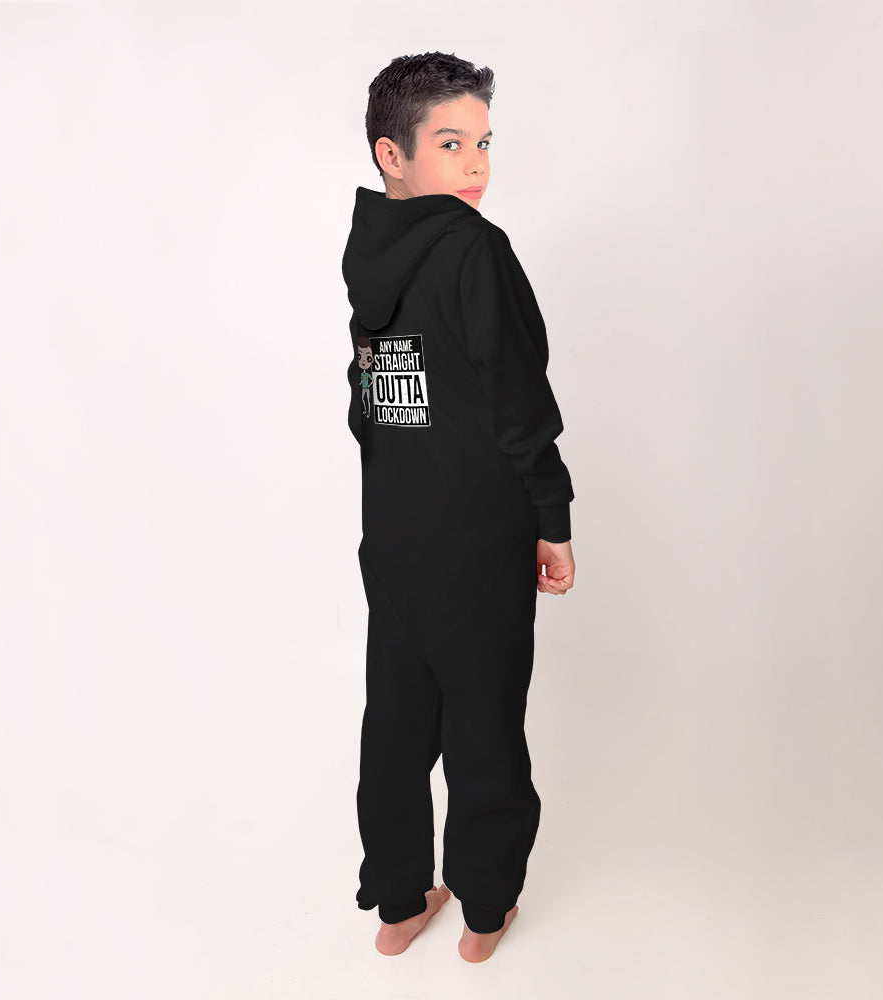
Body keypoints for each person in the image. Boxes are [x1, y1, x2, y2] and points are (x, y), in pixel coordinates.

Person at [341, 51, 576, 964]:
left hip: (395, 538)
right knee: (483, 723)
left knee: (397, 723)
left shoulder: (368, 252)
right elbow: (520, 401)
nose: (476, 163)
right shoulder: (476, 249)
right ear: (391, 152)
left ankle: (400, 903)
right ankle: (484, 911)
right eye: (450, 143)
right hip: (477, 540)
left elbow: (369, 401)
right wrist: (551, 519)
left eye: (482, 142)